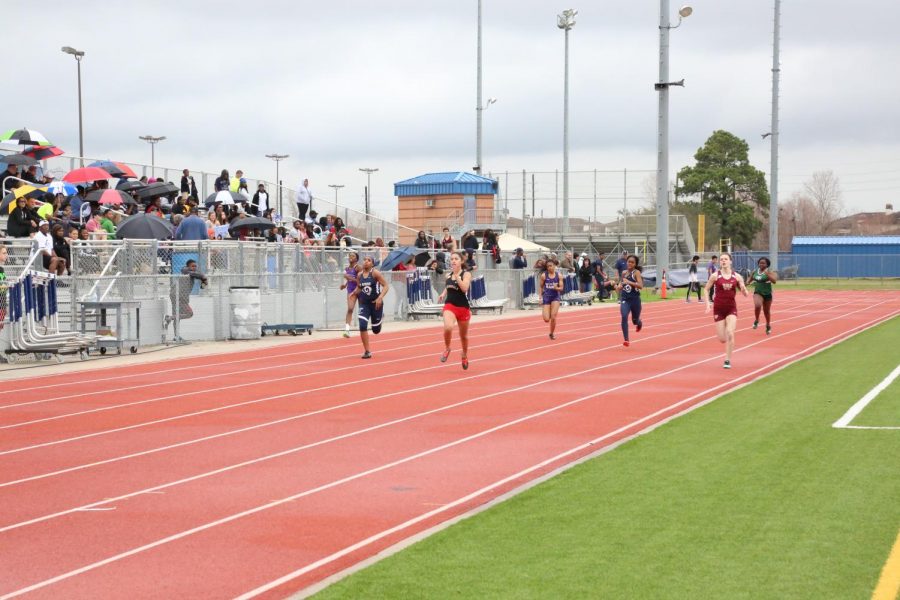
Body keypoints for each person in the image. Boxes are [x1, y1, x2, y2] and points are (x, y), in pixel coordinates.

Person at [705, 252, 749, 369]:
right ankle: (727, 341)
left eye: (725, 259)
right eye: (721, 259)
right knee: (722, 339)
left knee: (730, 332)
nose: (723, 261)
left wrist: (744, 289)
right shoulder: (715, 276)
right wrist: (708, 304)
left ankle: (727, 360)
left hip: (731, 308)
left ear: (730, 261)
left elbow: (745, 294)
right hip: (718, 309)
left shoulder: (737, 277)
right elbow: (706, 289)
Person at [437, 250, 472, 370]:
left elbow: (464, 289)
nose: (453, 261)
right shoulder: (448, 275)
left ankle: (464, 354)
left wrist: (457, 277)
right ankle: (447, 348)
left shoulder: (466, 274)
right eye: (451, 259)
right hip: (450, 306)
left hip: (463, 307)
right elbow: (448, 286)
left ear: (461, 261)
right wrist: (442, 293)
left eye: (456, 259)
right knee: (448, 327)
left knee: (464, 336)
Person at [350, 255, 389, 359]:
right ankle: (367, 351)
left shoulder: (375, 273)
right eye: (364, 260)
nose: (366, 262)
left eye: (368, 260)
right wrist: (354, 293)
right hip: (364, 304)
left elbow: (386, 285)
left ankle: (380, 318)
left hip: (376, 304)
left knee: (376, 330)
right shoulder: (359, 275)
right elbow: (359, 287)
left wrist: (380, 297)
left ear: (372, 264)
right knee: (362, 325)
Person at [165, 259, 208, 334]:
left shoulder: (193, 273)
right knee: (189, 314)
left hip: (176, 295)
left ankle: (176, 336)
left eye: (195, 266)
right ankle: (169, 318)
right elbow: (187, 271)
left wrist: (204, 281)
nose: (194, 268)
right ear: (188, 266)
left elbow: (202, 287)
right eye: (192, 266)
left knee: (177, 316)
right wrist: (202, 276)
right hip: (179, 296)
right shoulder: (185, 270)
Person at [616, 254, 644, 347]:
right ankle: (626, 340)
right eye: (629, 262)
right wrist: (618, 287)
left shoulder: (636, 273)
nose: (630, 264)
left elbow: (640, 286)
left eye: (632, 262)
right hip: (625, 299)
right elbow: (621, 285)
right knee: (624, 316)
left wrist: (629, 282)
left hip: (635, 300)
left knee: (635, 321)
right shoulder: (624, 273)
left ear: (635, 264)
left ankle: (639, 323)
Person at [750, 256, 777, 334]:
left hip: (767, 294)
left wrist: (767, 274)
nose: (761, 264)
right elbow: (749, 280)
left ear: (767, 264)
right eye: (760, 263)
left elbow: (774, 281)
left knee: (766, 311)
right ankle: (757, 320)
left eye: (763, 263)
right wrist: (745, 284)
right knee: (758, 305)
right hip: (758, 292)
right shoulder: (755, 271)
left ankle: (768, 325)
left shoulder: (770, 271)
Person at [540, 258, 564, 340]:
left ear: (554, 266)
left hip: (555, 297)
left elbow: (561, 288)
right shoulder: (544, 275)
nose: (549, 267)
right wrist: (540, 297)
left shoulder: (559, 276)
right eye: (548, 266)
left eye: (551, 266)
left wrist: (556, 288)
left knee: (553, 317)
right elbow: (541, 286)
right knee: (546, 319)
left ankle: (551, 333)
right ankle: (548, 310)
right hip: (546, 297)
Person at [340, 252, 361, 338]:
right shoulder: (347, 269)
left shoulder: (358, 268)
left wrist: (349, 278)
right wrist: (344, 285)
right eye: (349, 256)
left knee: (362, 309)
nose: (350, 257)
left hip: (359, 290)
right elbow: (349, 280)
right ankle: (347, 330)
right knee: (350, 309)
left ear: (356, 259)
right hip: (350, 290)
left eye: (353, 256)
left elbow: (361, 281)